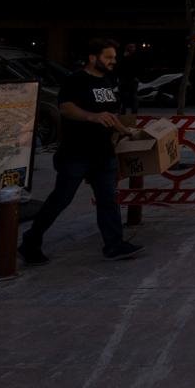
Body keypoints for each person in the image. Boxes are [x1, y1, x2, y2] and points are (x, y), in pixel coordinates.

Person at [20, 38, 143, 264]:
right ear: (92, 58)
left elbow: (109, 114)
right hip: (77, 152)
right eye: (108, 57)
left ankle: (114, 244)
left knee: (108, 199)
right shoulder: (75, 80)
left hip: (103, 152)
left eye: (114, 57)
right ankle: (31, 240)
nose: (112, 61)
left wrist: (125, 131)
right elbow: (65, 108)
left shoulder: (108, 80)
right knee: (61, 199)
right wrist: (91, 117)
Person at [116, 42, 142, 115]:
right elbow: (119, 67)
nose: (133, 48)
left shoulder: (135, 56)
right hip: (125, 79)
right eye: (131, 47)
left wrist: (137, 77)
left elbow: (138, 68)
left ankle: (133, 113)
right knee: (124, 97)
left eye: (133, 47)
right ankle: (123, 112)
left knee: (132, 97)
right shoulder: (123, 56)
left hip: (131, 79)